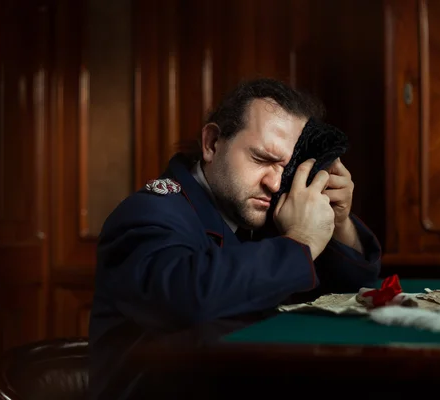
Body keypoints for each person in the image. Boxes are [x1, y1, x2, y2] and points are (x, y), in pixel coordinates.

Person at [88, 78, 381, 399]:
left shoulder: (263, 207)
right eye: (262, 159)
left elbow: (353, 289)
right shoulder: (148, 212)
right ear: (212, 143)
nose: (275, 182)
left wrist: (339, 224)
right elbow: (186, 298)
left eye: (288, 169)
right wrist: (300, 242)